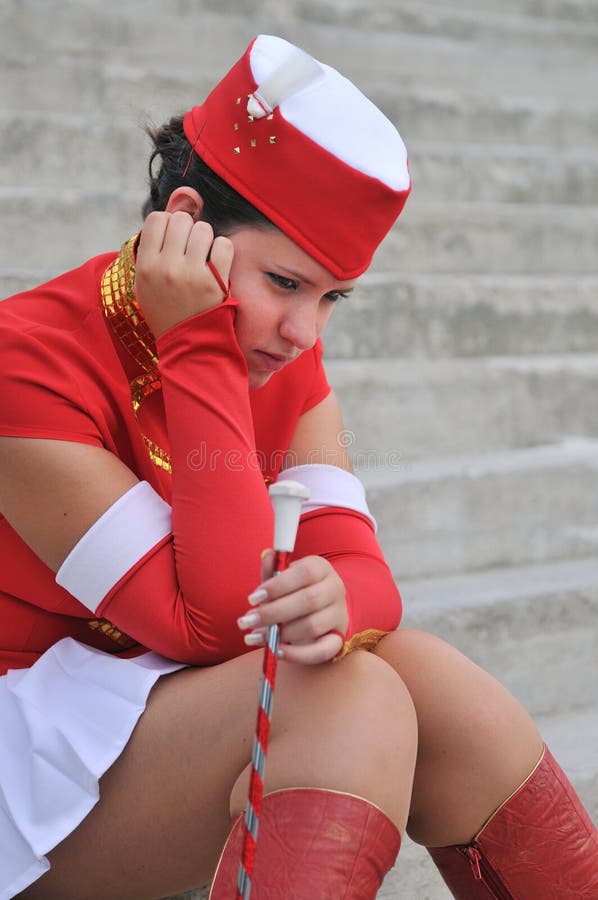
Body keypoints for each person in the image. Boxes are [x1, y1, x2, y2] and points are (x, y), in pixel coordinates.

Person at [0, 34, 595, 900]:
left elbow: (371, 583)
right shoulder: (26, 363)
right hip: (28, 744)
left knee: (431, 685)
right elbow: (212, 625)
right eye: (284, 282)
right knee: (346, 702)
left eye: (331, 297)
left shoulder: (283, 366)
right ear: (188, 225)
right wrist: (196, 348)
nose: (304, 335)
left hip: (155, 710)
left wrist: (336, 600)